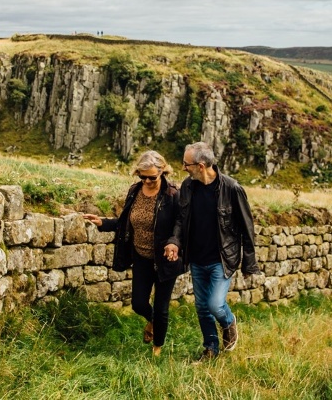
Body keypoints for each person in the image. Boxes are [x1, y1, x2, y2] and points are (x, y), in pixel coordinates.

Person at [164, 141, 259, 362]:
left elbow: (248, 228)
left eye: (187, 164)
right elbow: (181, 219)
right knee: (201, 307)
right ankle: (210, 349)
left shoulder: (232, 188)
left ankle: (228, 322)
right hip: (196, 258)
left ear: (201, 165)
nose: (183, 168)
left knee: (215, 304)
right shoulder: (188, 186)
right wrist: (174, 242)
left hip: (222, 259)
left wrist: (249, 263)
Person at [83, 150, 184, 356]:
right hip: (141, 257)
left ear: (163, 172)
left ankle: (157, 349)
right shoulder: (134, 191)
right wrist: (103, 222)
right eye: (142, 176)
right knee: (139, 304)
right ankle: (152, 321)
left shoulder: (173, 194)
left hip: (165, 259)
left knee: (161, 306)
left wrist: (174, 242)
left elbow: (181, 224)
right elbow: (125, 222)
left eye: (152, 177)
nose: (147, 181)